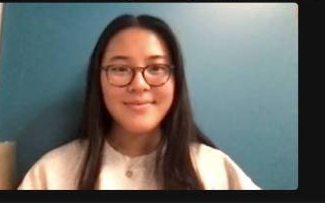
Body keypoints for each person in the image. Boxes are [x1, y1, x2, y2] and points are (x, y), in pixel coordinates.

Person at [19, 14, 259, 190]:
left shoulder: (215, 170)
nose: (139, 84)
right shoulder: (51, 174)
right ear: (98, 79)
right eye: (120, 69)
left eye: (156, 68)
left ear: (176, 81)